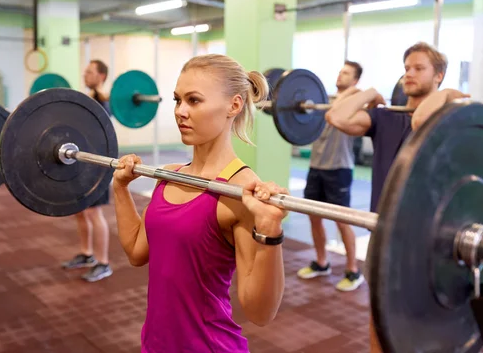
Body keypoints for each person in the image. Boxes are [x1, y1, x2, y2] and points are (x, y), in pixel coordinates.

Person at [112, 54, 288, 352]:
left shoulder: (240, 190)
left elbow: (260, 313)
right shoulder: (167, 176)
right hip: (156, 343)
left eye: (194, 101)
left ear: (234, 105)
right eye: (177, 100)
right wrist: (120, 188)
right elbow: (137, 252)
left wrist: (271, 230)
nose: (180, 111)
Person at [325, 42, 469, 352]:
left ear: (439, 75)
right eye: (406, 68)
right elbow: (336, 116)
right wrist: (367, 93)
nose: (409, 74)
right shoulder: (386, 119)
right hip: (384, 233)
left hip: (426, 237)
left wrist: (443, 96)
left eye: (419, 68)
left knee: (424, 325)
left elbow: (421, 120)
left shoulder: (446, 120)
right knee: (380, 320)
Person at [297, 60, 365, 292]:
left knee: (342, 220)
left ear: (355, 80)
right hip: (316, 167)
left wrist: (354, 93)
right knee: (314, 217)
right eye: (340, 71)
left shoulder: (354, 102)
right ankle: (322, 262)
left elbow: (360, 98)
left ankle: (353, 269)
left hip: (339, 169)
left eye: (346, 73)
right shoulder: (322, 100)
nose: (340, 75)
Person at [61, 59, 113, 282]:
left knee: (94, 212)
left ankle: (103, 263)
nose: (85, 74)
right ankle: (87, 254)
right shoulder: (88, 100)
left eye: (90, 72)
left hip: (97, 165)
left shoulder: (103, 101)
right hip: (80, 163)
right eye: (85, 71)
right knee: (80, 211)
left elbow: (103, 127)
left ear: (101, 76)